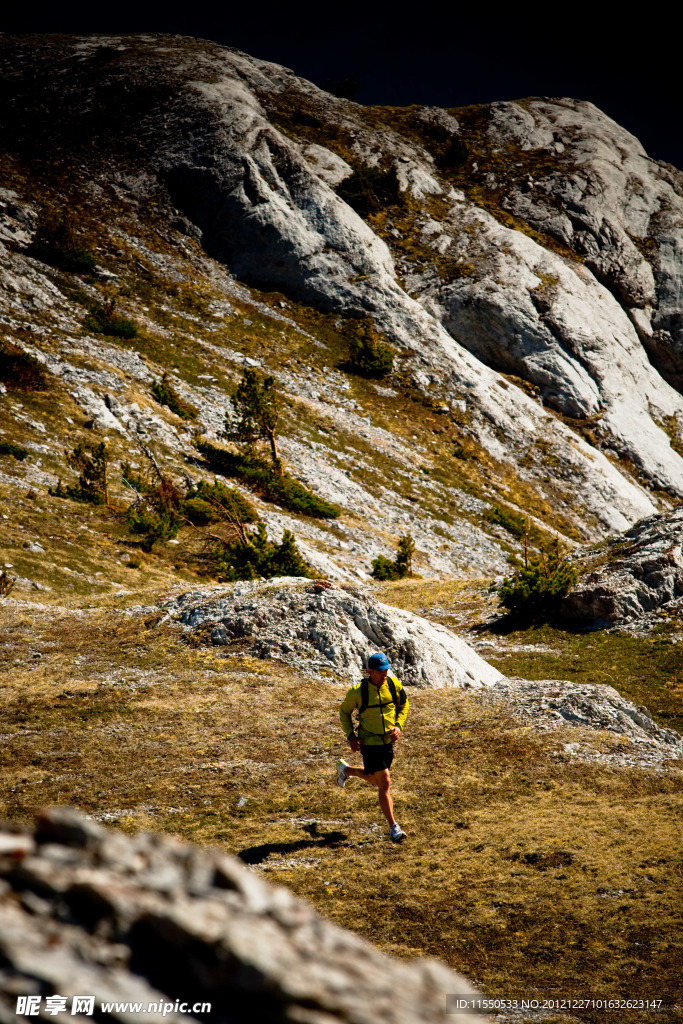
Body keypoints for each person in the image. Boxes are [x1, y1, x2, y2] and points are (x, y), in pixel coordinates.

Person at [336, 652, 409, 843]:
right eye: (382, 671)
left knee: (377, 780)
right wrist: (351, 736)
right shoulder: (358, 692)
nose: (386, 674)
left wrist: (398, 725)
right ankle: (394, 828)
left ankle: (346, 770)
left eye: (387, 670)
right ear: (371, 671)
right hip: (369, 742)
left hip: (387, 742)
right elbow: (344, 712)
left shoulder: (393, 685)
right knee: (385, 782)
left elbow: (404, 704)